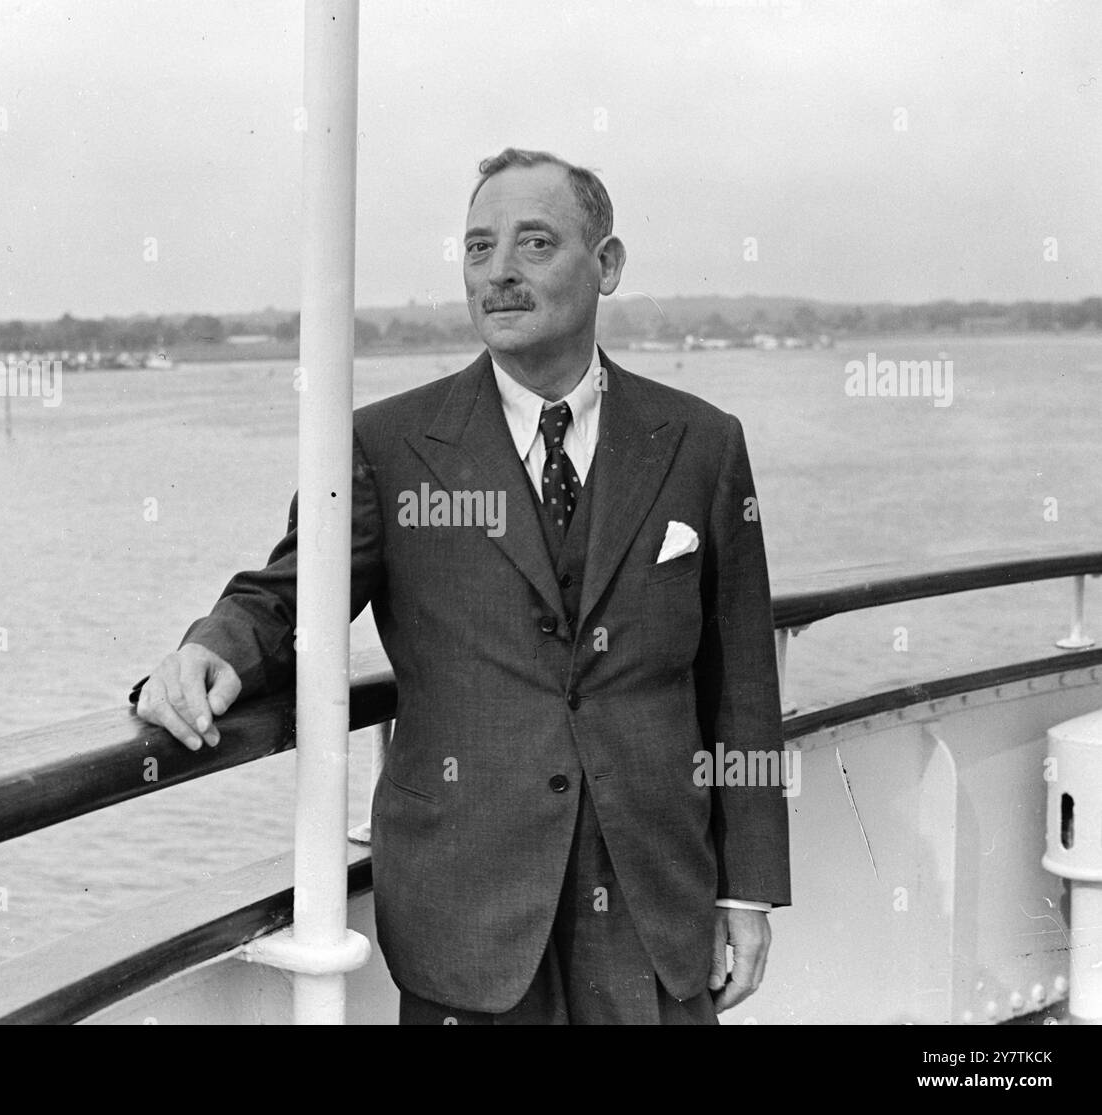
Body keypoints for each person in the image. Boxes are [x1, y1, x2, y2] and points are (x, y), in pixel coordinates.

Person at [133, 147, 790, 1025]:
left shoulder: (701, 444)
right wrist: (209, 647)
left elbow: (741, 684)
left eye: (534, 244)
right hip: (468, 918)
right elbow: (289, 595)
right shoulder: (388, 447)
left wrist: (746, 888)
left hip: (653, 912)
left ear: (608, 265)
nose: (500, 274)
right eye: (479, 249)